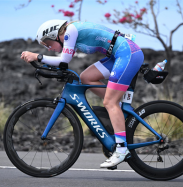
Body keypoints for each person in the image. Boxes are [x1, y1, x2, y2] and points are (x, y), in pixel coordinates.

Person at [21, 20, 144, 168]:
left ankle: (122, 149)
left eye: (47, 44)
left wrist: (38, 57)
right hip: (119, 54)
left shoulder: (70, 31)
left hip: (127, 53)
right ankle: (116, 108)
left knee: (110, 103)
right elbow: (62, 63)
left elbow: (64, 61)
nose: (48, 49)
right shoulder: (70, 34)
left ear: (54, 35)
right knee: (86, 78)